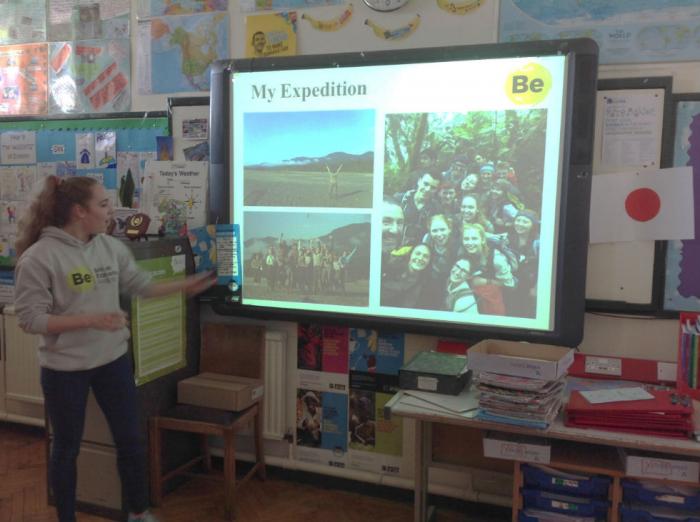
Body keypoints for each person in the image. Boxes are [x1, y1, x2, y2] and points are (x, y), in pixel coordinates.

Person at [13, 176, 215, 522]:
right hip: (65, 370)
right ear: (80, 211)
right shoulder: (38, 258)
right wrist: (90, 320)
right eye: (104, 204)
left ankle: (138, 512)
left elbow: (142, 286)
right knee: (66, 449)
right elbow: (31, 320)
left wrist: (186, 285)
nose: (112, 211)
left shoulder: (109, 247)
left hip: (112, 361)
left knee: (131, 441)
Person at [459, 222, 515, 315]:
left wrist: (486, 281)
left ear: (482, 240)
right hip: (474, 298)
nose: (469, 242)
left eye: (474, 238)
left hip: (494, 300)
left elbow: (510, 285)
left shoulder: (497, 258)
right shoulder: (462, 252)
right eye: (466, 239)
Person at [380, 243, 432, 308]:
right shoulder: (392, 268)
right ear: (410, 255)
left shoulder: (425, 285)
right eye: (417, 254)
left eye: (426, 256)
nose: (420, 258)